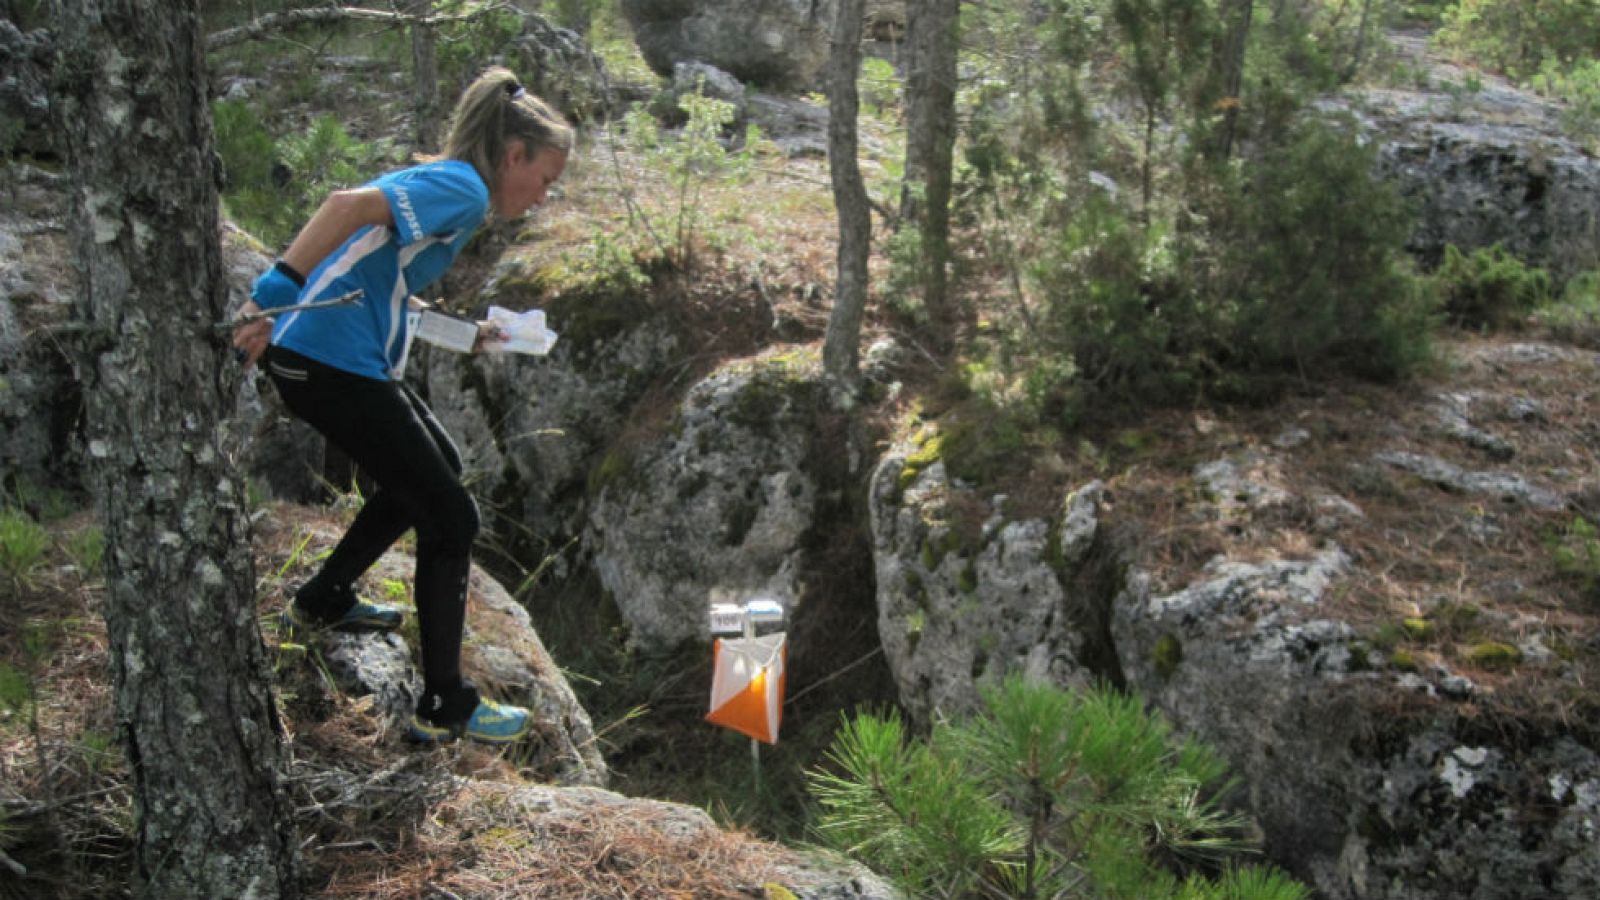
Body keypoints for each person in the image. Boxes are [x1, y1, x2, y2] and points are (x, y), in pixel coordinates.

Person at [232, 67, 573, 745]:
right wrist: (264, 302)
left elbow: (379, 276)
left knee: (430, 473)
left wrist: (464, 333)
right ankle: (446, 704)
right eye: (545, 179)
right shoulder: (464, 187)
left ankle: (324, 598)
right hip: (323, 355)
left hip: (333, 354)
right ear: (514, 156)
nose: (542, 197)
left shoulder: (456, 188)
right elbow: (341, 207)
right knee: (450, 514)